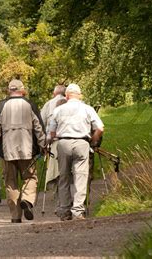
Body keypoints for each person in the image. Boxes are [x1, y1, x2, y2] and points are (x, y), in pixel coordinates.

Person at [0, 79, 46, 223]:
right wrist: (44, 145)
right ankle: (27, 200)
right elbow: (38, 127)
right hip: (27, 150)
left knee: (10, 182)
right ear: (22, 89)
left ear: (9, 90)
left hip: (7, 151)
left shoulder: (1, 106)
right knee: (30, 178)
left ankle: (15, 216)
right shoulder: (30, 105)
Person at [48, 83, 104, 221]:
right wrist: (93, 141)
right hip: (82, 143)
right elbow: (100, 128)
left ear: (66, 96)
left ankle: (64, 210)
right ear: (79, 95)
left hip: (63, 143)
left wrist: (50, 141)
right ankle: (78, 211)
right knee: (81, 177)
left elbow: (52, 132)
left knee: (64, 177)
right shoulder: (87, 109)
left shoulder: (58, 110)